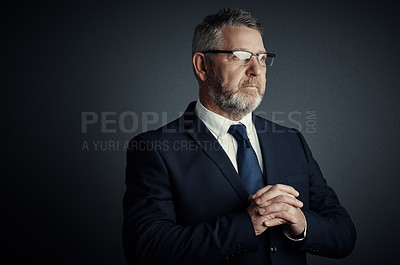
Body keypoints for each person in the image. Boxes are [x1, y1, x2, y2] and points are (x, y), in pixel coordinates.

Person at [122, 8, 356, 265]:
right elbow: (146, 248)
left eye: (262, 58)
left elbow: (343, 234)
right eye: (241, 56)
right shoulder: (155, 148)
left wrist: (301, 224)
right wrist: (247, 225)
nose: (256, 69)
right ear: (202, 66)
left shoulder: (292, 141)